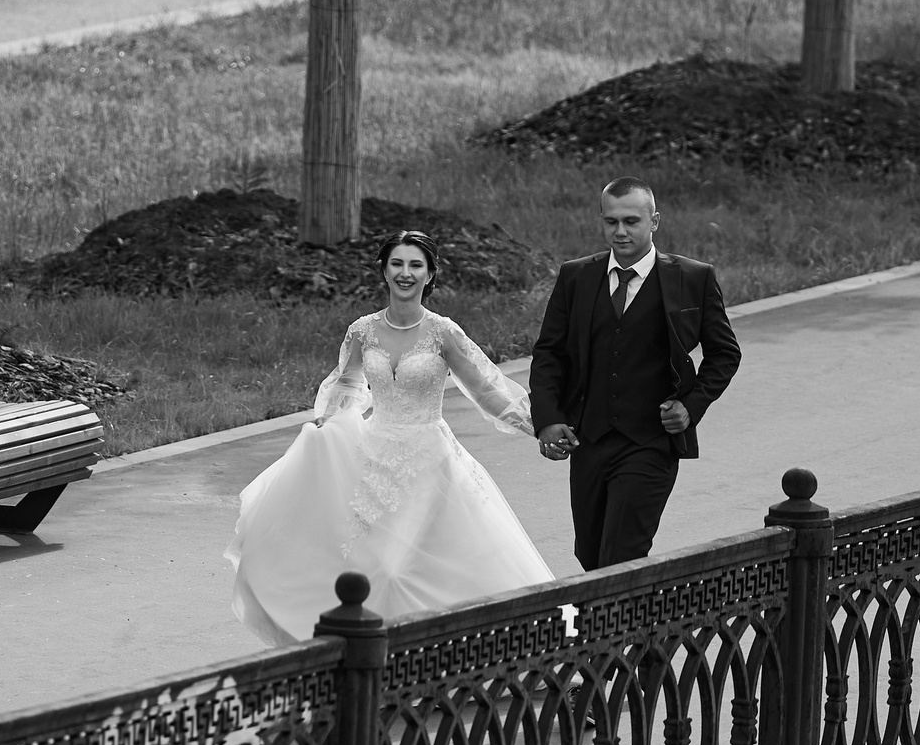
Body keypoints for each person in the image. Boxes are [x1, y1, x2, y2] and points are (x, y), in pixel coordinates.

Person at [227, 231, 554, 645]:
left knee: (407, 566)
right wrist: (329, 423)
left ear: (430, 274)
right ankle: (370, 661)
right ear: (383, 270)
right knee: (366, 560)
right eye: (397, 263)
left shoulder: (443, 332)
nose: (405, 273)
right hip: (375, 453)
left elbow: (486, 388)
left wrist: (536, 426)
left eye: (416, 265)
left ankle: (446, 656)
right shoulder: (362, 331)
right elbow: (347, 386)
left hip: (431, 456)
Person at [531, 179, 741, 570]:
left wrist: (691, 406)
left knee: (622, 555)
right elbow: (549, 354)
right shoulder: (576, 277)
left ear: (654, 221)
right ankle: (616, 631)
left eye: (631, 220)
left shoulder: (693, 278)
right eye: (611, 222)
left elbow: (725, 354)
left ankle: (619, 633)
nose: (620, 231)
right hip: (589, 439)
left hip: (651, 442)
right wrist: (547, 419)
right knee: (590, 555)